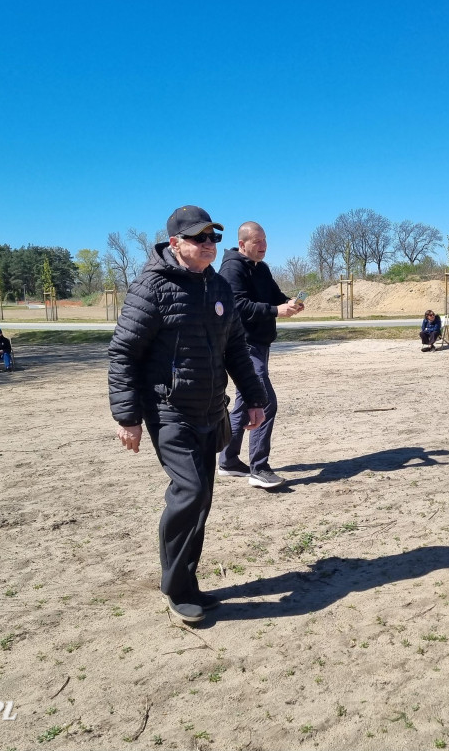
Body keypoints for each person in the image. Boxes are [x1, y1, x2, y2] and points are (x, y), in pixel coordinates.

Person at [108, 205, 268, 624]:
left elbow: (235, 348)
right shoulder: (152, 287)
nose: (209, 244)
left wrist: (253, 398)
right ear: (175, 243)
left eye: (213, 237)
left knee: (202, 501)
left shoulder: (216, 287)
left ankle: (188, 581)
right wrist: (128, 418)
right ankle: (176, 587)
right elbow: (123, 352)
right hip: (167, 410)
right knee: (191, 492)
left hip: (211, 409)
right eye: (200, 238)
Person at [217, 221, 304, 489]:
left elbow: (274, 296)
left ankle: (228, 461)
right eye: (257, 241)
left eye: (265, 240)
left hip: (261, 344)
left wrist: (289, 302)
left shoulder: (262, 268)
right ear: (242, 244)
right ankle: (259, 468)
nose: (263, 246)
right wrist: (275, 311)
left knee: (245, 403)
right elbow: (238, 306)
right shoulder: (232, 268)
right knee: (265, 401)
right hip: (244, 346)